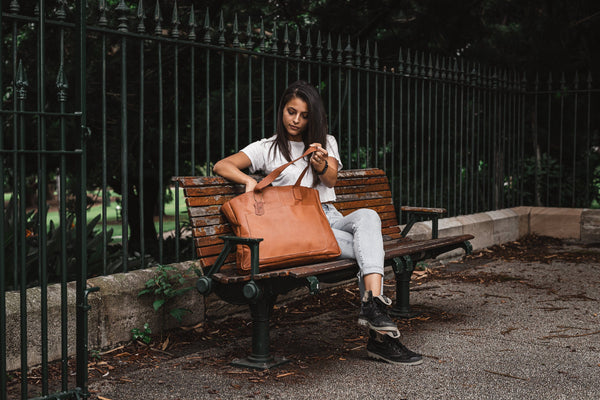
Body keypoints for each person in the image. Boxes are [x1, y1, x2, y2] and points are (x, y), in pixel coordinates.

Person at [213, 80, 422, 366]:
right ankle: (381, 339)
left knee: (369, 216)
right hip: (302, 229)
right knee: (368, 251)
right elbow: (222, 165)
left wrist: (320, 162)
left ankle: (371, 305)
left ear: (314, 116)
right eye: (291, 112)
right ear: (282, 111)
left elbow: (331, 180)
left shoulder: (327, 143)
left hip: (330, 217)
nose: (296, 120)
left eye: (304, 114)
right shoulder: (266, 148)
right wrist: (250, 179)